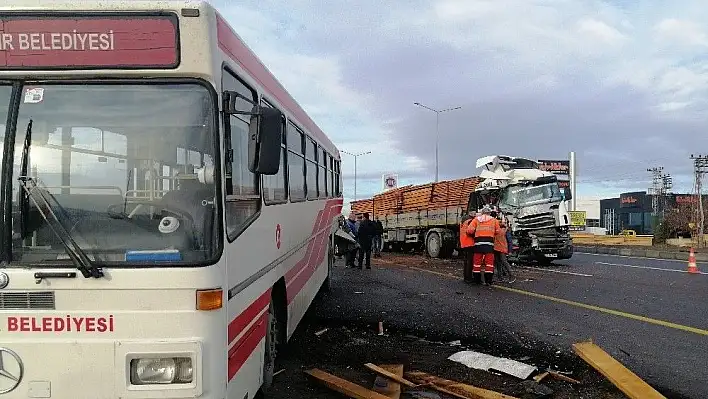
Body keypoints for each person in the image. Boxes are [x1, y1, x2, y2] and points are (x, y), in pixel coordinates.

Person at [467, 205, 500, 285]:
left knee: (477, 263)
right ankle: (488, 281)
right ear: (490, 213)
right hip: (489, 244)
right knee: (489, 263)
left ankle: (477, 280)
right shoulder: (494, 220)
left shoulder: (476, 220)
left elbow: (469, 231)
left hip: (478, 244)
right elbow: (498, 231)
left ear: (482, 213)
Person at [494, 218, 515, 283]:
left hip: (500, 248)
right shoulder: (499, 230)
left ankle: (511, 275)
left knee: (503, 262)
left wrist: (510, 250)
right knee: (500, 263)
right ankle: (501, 277)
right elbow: (509, 241)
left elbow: (509, 241)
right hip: (498, 248)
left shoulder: (504, 231)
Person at [459, 211, 476, 283]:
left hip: (464, 242)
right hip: (470, 243)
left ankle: (466, 277)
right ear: (470, 213)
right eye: (474, 213)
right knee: (470, 261)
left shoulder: (463, 221)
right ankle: (469, 278)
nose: (475, 215)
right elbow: (470, 232)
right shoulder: (470, 221)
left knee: (466, 261)